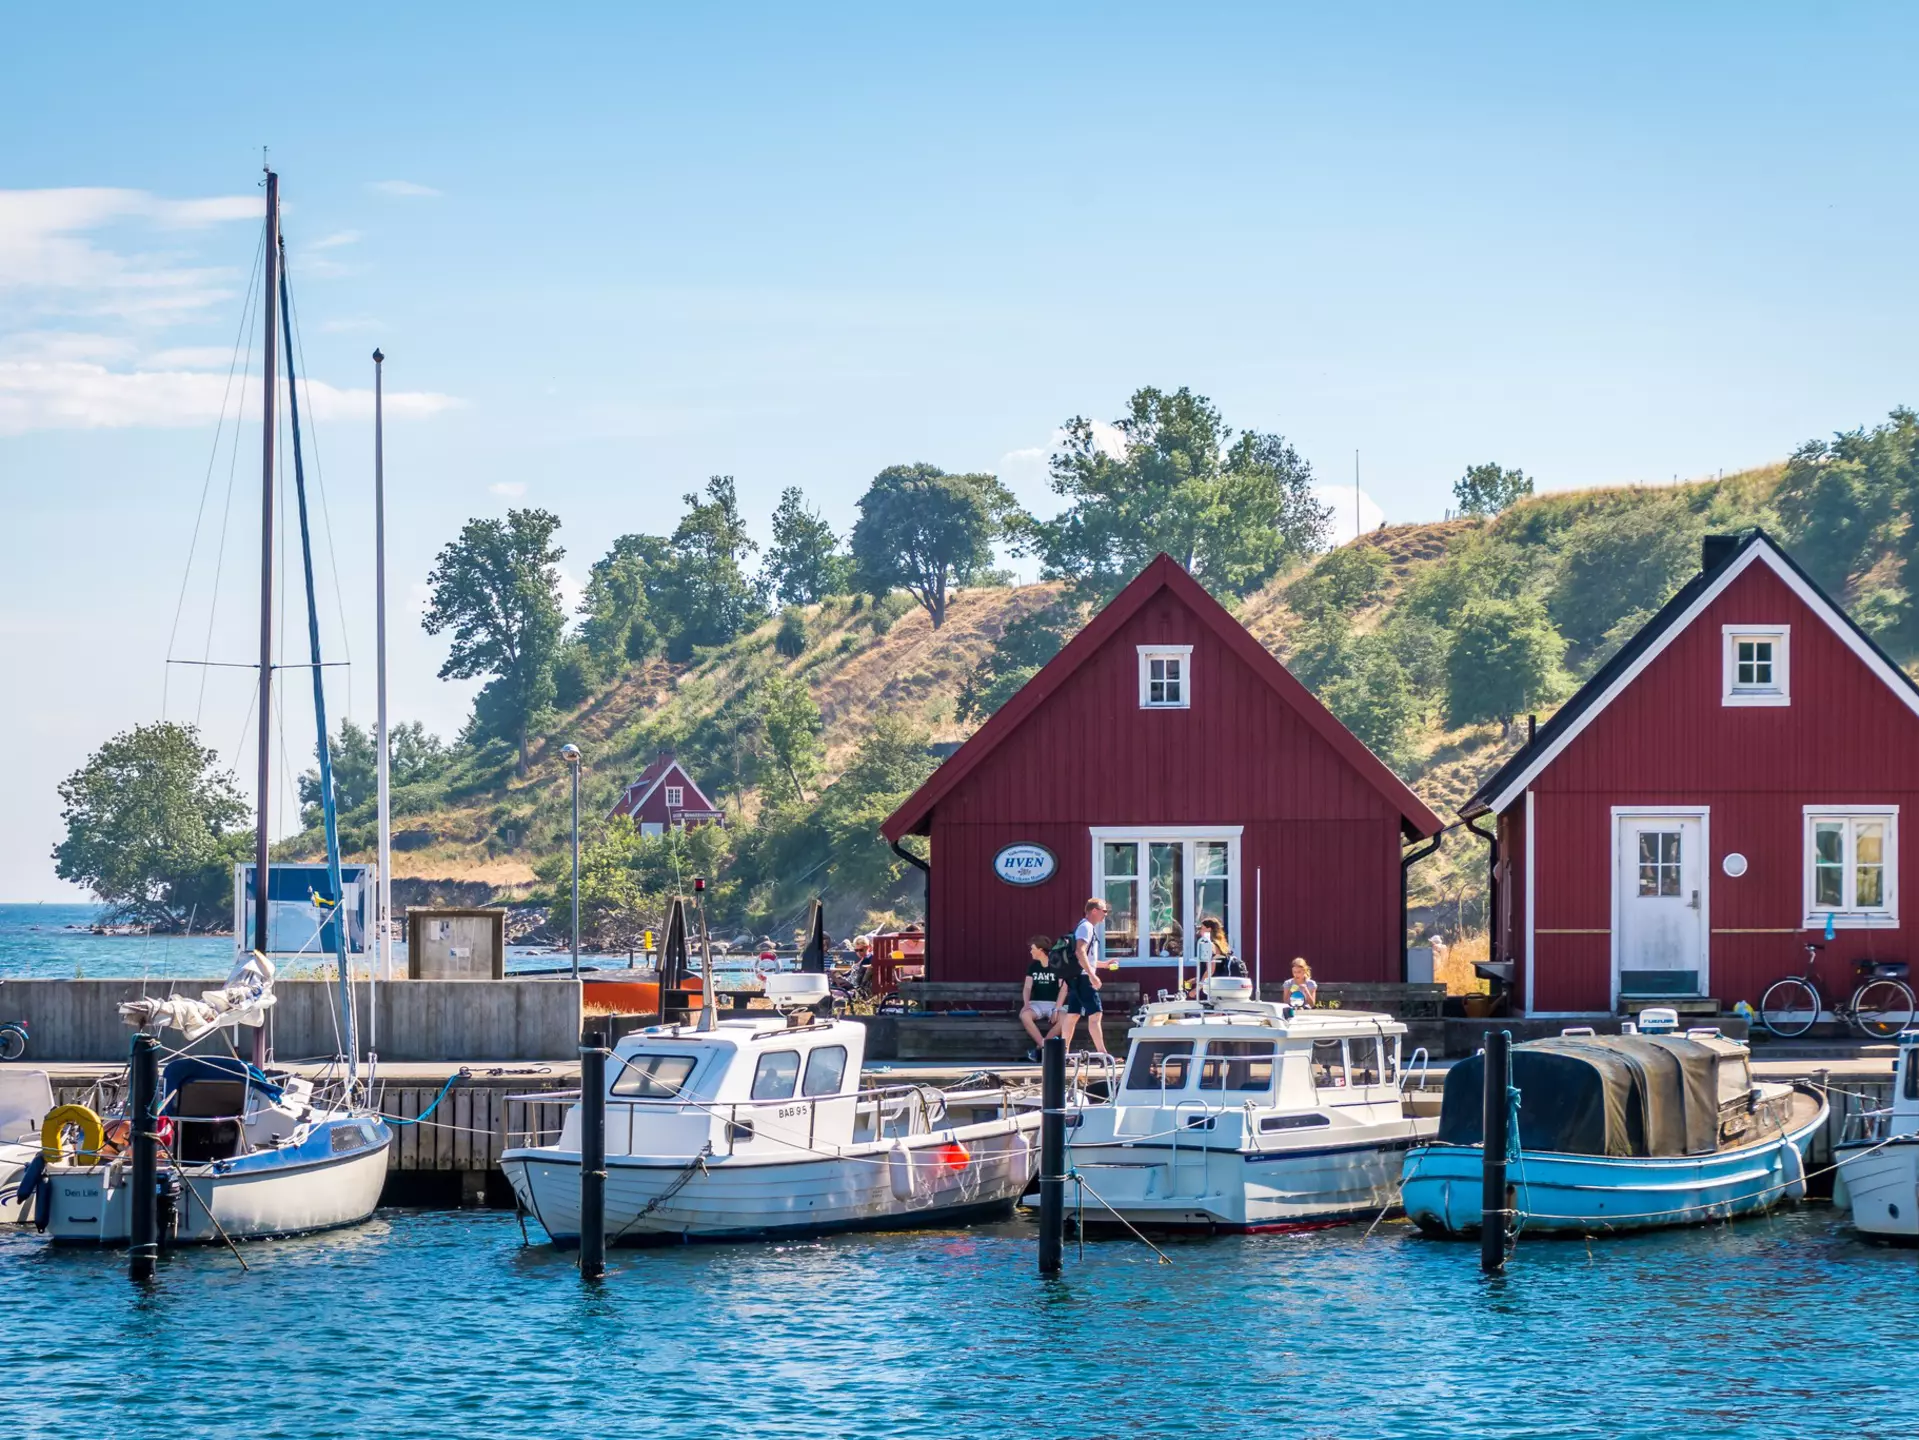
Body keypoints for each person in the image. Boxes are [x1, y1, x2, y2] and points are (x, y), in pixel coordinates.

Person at [1057, 898, 1110, 1056]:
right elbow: (1080, 952)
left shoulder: (1084, 926)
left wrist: (1104, 965)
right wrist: (1093, 976)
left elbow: (1087, 957)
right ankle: (1103, 1055)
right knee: (1095, 1014)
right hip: (1083, 978)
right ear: (1094, 910)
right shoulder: (1086, 927)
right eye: (1104, 911)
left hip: (1077, 977)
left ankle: (1063, 1054)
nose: (1105, 915)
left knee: (1073, 1014)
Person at [1019, 935, 1066, 1061]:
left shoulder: (1056, 965)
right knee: (1024, 1015)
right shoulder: (1033, 966)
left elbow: (1063, 988)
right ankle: (1044, 1046)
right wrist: (1026, 1004)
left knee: (1065, 1019)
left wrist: (1057, 1008)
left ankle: (1041, 1048)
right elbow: (1027, 987)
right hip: (1037, 1003)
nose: (1030, 951)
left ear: (1040, 950)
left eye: (1032, 948)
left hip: (1054, 1003)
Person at [1193, 917, 1245, 992]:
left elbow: (1210, 970)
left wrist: (1196, 990)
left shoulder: (1210, 946)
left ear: (1209, 929)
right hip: (1222, 984)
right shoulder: (1220, 944)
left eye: (1202, 928)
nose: (1200, 931)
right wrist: (1192, 981)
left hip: (1216, 988)